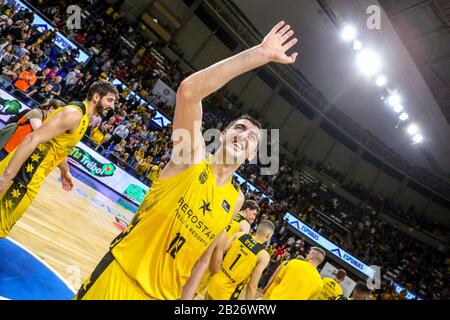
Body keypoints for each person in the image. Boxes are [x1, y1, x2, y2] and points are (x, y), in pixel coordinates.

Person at [74, 20, 298, 300]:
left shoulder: (236, 200)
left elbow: (203, 259)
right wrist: (260, 54)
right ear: (223, 134)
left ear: (253, 154)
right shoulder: (191, 156)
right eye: (239, 128)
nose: (244, 136)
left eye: (253, 137)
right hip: (120, 280)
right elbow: (189, 92)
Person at [0, 80, 117, 238]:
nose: (113, 106)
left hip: (30, 176)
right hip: (24, 175)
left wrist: (64, 170)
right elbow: (32, 138)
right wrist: (7, 177)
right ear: (96, 96)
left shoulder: (84, 117)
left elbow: (58, 146)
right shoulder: (73, 114)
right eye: (110, 100)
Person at [205, 220, 274, 300]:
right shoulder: (264, 255)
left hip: (214, 283)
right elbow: (252, 286)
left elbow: (220, 251)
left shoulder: (240, 235)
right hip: (228, 294)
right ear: (268, 235)